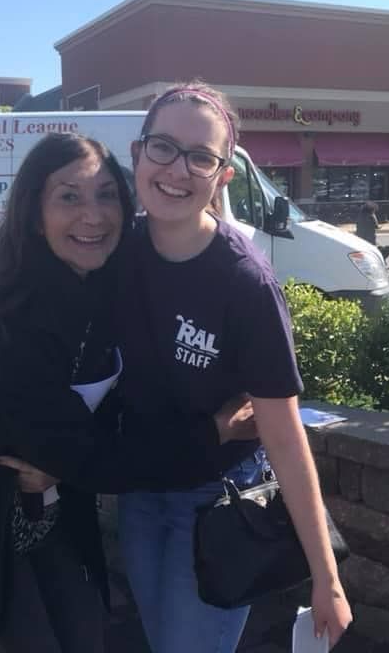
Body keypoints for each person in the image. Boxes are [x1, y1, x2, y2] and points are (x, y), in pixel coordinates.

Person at [0, 133, 255, 653]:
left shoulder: (101, 281)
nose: (93, 215)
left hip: (62, 495)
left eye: (107, 194)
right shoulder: (8, 310)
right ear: (33, 212)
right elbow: (83, 454)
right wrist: (215, 431)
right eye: (69, 196)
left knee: (80, 626)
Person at [114, 82, 351, 652]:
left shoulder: (245, 283)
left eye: (201, 157)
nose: (177, 169)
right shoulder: (116, 251)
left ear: (223, 176)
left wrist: (326, 576)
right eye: (163, 147)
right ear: (138, 153)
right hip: (139, 491)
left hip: (215, 503)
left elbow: (284, 434)